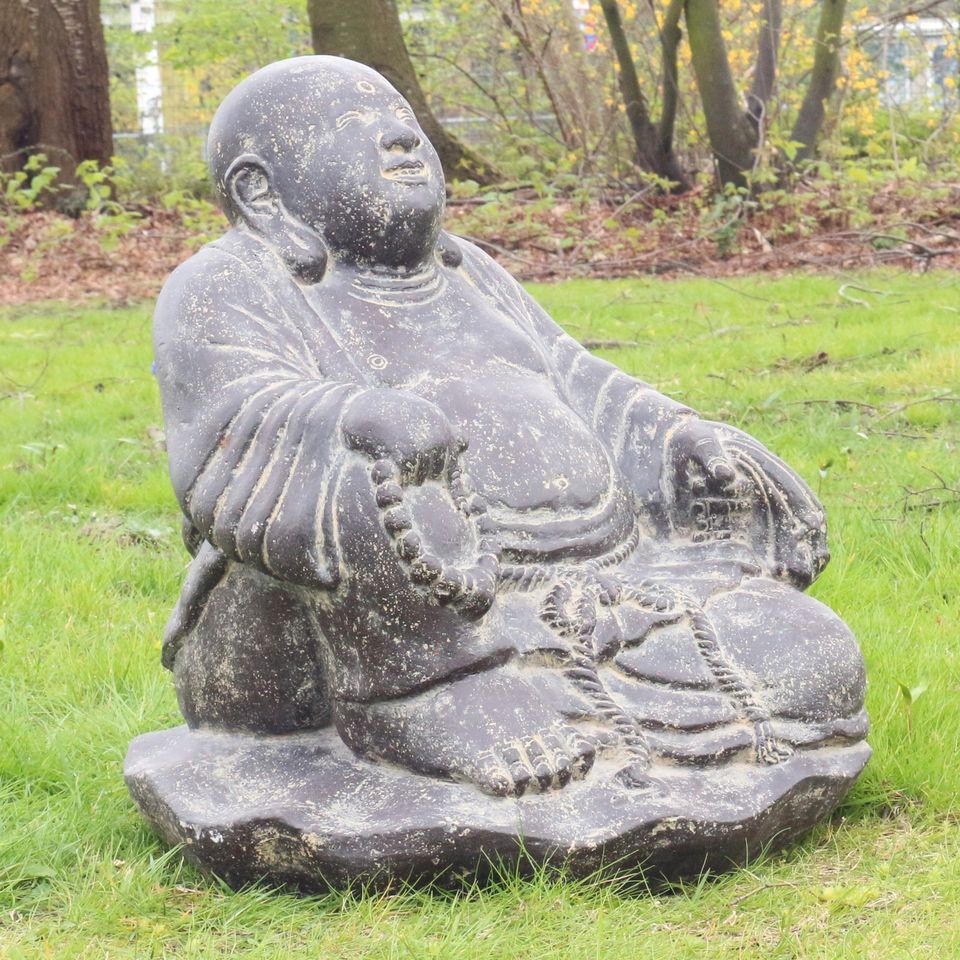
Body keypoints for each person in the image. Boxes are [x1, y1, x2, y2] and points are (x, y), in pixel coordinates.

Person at [153, 56, 866, 798]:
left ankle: (567, 697)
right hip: (349, 632)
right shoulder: (227, 287)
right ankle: (417, 701)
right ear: (260, 191)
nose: (402, 140)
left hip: (577, 592)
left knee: (813, 658)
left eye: (408, 126)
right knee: (362, 457)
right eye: (355, 128)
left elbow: (582, 382)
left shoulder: (472, 274)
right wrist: (362, 417)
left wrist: (676, 437)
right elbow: (233, 431)